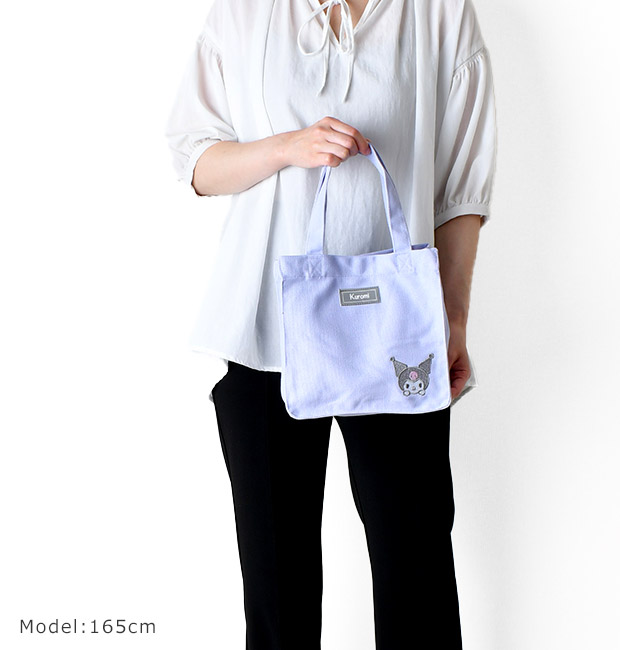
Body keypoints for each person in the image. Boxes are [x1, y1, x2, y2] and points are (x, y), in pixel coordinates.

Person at [165, 0, 497, 647]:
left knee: (417, 572)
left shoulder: (439, 12)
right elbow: (195, 161)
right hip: (266, 330)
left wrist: (453, 318)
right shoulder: (243, 11)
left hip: (399, 337)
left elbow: (461, 187)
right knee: (277, 593)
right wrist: (287, 147)